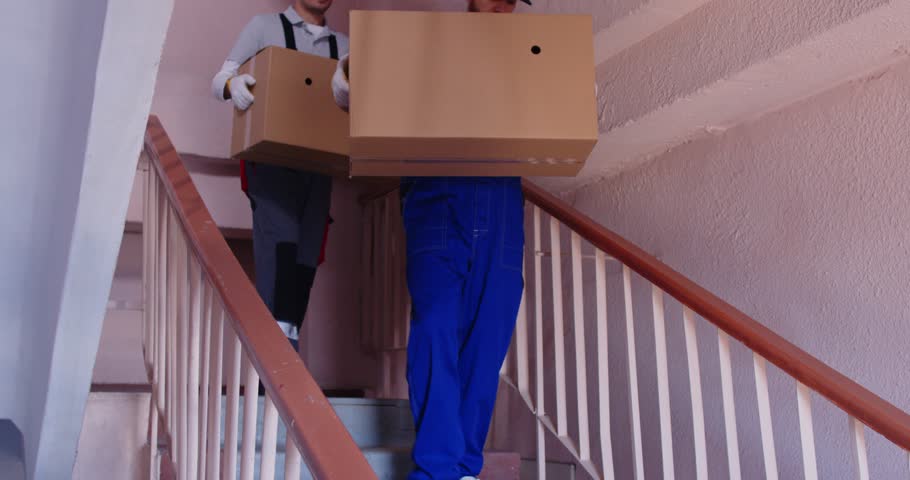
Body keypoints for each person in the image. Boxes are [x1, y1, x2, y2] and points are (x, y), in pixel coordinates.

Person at [332, 1, 531, 478]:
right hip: (437, 191)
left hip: (502, 197)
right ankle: (438, 468)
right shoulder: (428, 43)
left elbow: (572, 106)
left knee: (488, 336)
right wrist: (363, 63)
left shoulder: (531, 52)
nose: (500, 3)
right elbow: (345, 93)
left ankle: (463, 467)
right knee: (437, 321)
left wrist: (564, 78)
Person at [212, 0, 348, 351]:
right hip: (271, 165)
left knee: (304, 266)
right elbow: (219, 80)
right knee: (282, 256)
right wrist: (233, 85)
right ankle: (274, 363)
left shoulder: (345, 47)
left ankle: (284, 357)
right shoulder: (264, 27)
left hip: (319, 169)